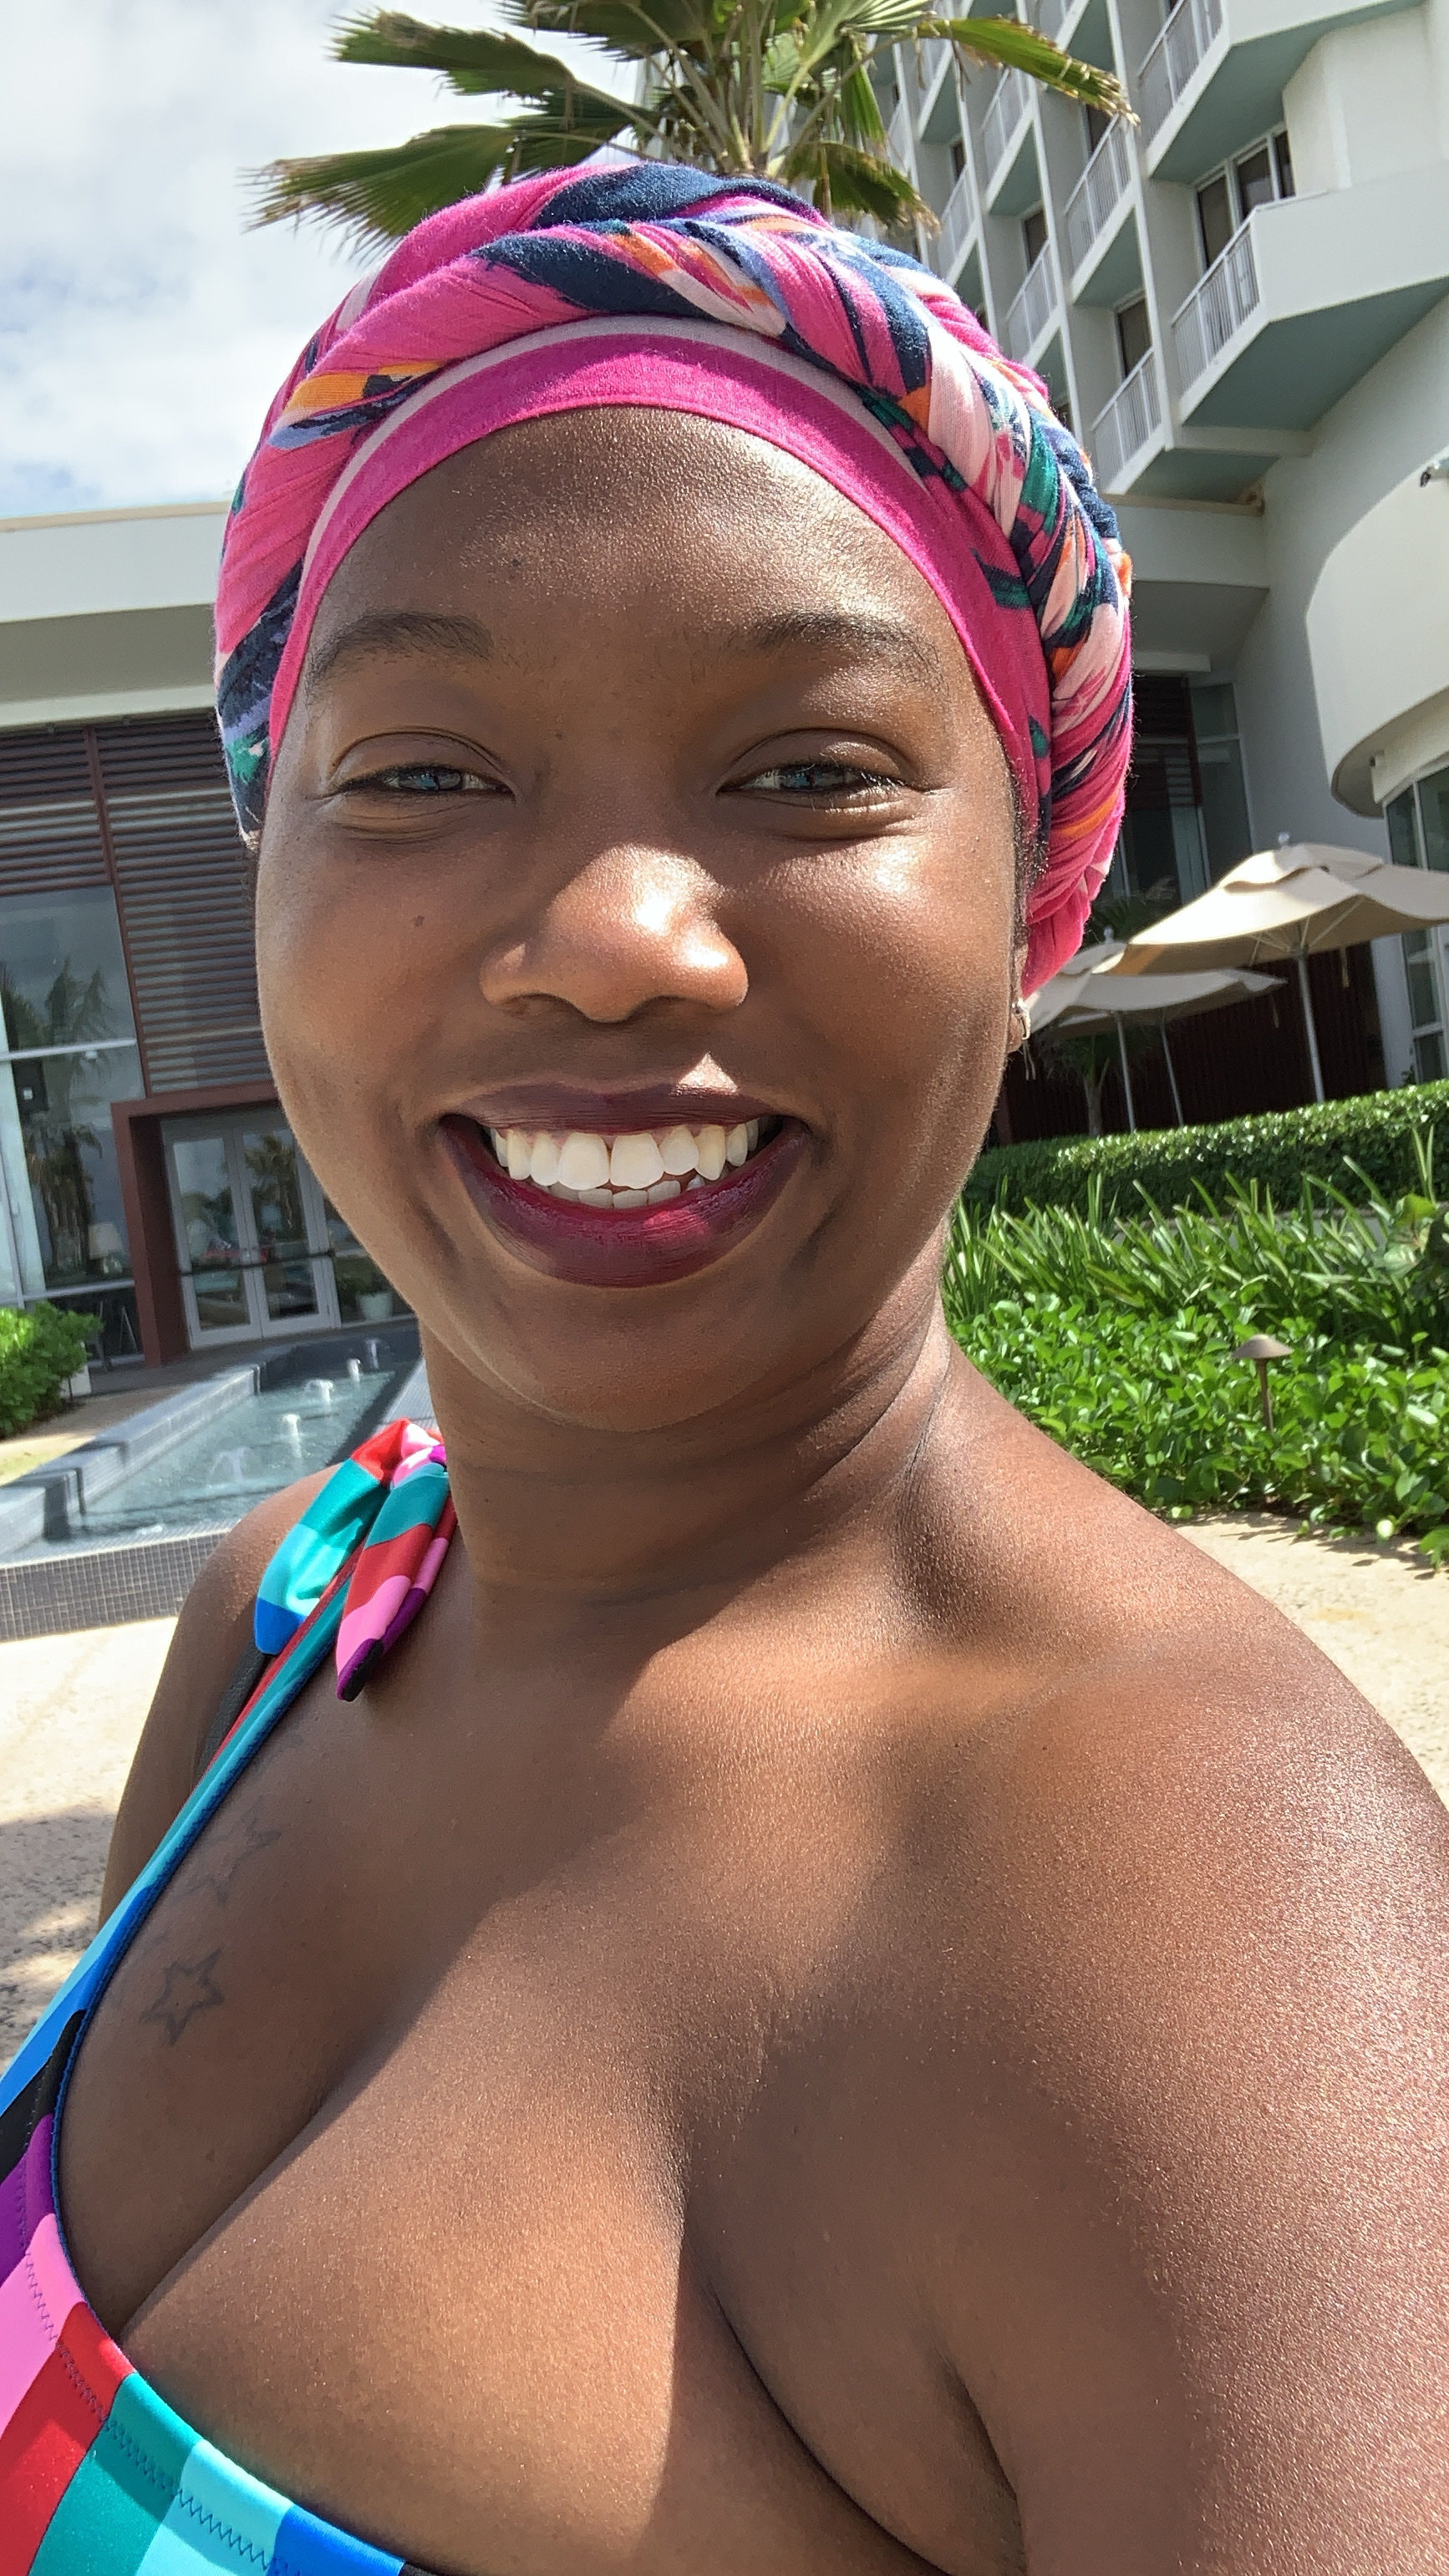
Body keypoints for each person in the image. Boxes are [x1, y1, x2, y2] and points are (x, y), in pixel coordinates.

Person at [3, 165, 1446, 2575]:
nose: (611, 941)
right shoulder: (293, 1608)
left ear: (1028, 901)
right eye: (422, 771)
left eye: (804, 771)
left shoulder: (1200, 1918)